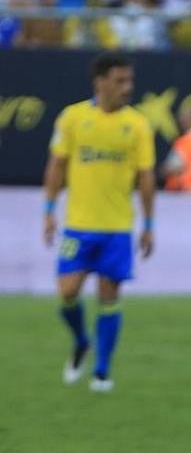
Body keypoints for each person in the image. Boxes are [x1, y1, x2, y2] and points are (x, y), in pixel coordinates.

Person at [42, 52, 156, 393]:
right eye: (120, 80)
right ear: (100, 82)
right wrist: (48, 209)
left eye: (129, 81)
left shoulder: (137, 124)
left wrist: (149, 224)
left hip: (118, 227)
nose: (127, 87)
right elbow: (57, 166)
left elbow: (146, 176)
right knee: (67, 292)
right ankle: (81, 341)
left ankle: (102, 371)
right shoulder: (73, 118)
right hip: (77, 224)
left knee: (109, 296)